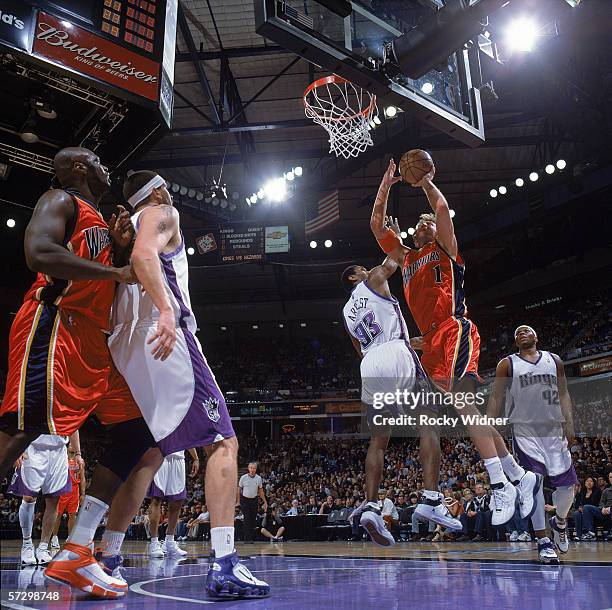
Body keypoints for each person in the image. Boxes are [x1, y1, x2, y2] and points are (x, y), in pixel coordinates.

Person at [47, 170, 269, 599]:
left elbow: (131, 263)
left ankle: (102, 553)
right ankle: (225, 564)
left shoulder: (124, 235)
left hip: (124, 346)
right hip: (162, 336)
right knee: (223, 443)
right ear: (160, 191)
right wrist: (167, 311)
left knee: (147, 451)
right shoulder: (161, 213)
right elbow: (149, 257)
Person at [370, 158, 538, 527]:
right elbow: (376, 225)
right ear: (413, 233)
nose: (427, 221)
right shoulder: (406, 256)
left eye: (429, 221)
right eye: (421, 222)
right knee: (454, 414)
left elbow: (443, 208)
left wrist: (425, 180)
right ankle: (521, 477)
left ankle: (500, 484)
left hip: (454, 328)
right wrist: (387, 182)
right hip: (428, 344)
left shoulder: (446, 248)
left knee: (463, 402)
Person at [0, 147, 134, 477]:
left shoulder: (99, 219)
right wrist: (116, 272)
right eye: (98, 163)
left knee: (135, 428)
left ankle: (95, 522)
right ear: (79, 168)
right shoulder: (59, 199)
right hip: (53, 320)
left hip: (88, 333)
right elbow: (39, 253)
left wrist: (116, 251)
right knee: (21, 426)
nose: (106, 168)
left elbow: (95, 277)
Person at [341, 255, 461, 547]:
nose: (366, 269)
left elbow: (361, 349)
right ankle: (432, 498)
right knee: (429, 421)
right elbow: (393, 261)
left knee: (379, 440)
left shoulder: (345, 312)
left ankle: (370, 506)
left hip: (370, 364)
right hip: (395, 353)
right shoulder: (372, 281)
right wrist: (393, 237)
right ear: (354, 278)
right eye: (361, 268)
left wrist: (408, 342)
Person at [487, 325, 579, 563]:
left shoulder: (554, 360)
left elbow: (564, 392)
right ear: (515, 342)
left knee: (567, 489)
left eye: (527, 330)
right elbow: (496, 395)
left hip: (554, 429)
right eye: (517, 332)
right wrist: (489, 425)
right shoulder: (507, 364)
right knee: (534, 484)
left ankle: (559, 523)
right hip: (525, 430)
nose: (522, 332)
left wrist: (569, 422)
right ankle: (543, 540)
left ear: (536, 336)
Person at [8, 432, 79, 564]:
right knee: (29, 497)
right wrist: (16, 448)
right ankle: (27, 544)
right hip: (33, 446)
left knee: (53, 500)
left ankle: (43, 547)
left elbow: (75, 424)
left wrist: (78, 453)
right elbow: (19, 415)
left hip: (58, 449)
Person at [147, 448, 199, 558]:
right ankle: (154, 542)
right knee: (156, 499)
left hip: (179, 458)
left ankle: (169, 542)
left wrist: (196, 458)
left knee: (177, 501)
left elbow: (187, 434)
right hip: (160, 455)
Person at [51, 439, 86, 552]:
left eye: (73, 444)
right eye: (70, 444)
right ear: (66, 446)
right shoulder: (61, 458)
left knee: (72, 515)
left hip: (74, 490)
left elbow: (82, 478)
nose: (72, 446)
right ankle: (54, 538)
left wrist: (83, 493)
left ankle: (70, 538)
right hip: (62, 489)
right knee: (58, 515)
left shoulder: (80, 461)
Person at [237, 462, 267, 543]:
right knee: (247, 519)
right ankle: (247, 539)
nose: (252, 470)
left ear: (256, 469)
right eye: (251, 468)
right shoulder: (243, 477)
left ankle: (251, 537)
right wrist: (238, 501)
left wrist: (265, 502)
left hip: (254, 500)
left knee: (253, 519)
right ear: (248, 468)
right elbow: (239, 489)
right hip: (245, 500)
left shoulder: (259, 478)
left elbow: (260, 491)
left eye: (254, 468)